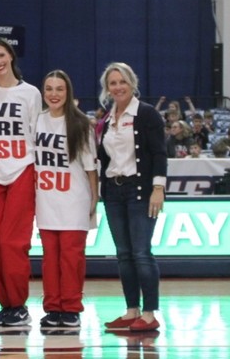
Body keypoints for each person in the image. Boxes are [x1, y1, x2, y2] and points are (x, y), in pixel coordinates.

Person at [96, 62, 166, 333]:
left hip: (140, 190)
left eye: (122, 82)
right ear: (107, 88)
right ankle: (131, 310)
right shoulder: (106, 118)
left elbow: (159, 153)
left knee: (141, 252)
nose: (117, 87)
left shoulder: (147, 114)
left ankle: (149, 314)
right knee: (123, 254)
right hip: (113, 191)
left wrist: (157, 188)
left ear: (132, 83)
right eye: (112, 83)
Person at [0, 38, 40, 327]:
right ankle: (6, 305)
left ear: (11, 56)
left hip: (22, 170)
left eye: (1, 55)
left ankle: (19, 305)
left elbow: (38, 134)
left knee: (12, 242)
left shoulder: (31, 93)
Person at [35, 70, 98, 329]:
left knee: (71, 259)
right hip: (45, 199)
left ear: (68, 92)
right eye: (49, 88)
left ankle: (71, 308)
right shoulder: (36, 121)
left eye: (59, 89)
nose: (53, 94)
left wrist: (94, 201)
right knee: (50, 259)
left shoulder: (81, 124)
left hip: (74, 199)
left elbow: (90, 169)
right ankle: (52, 308)